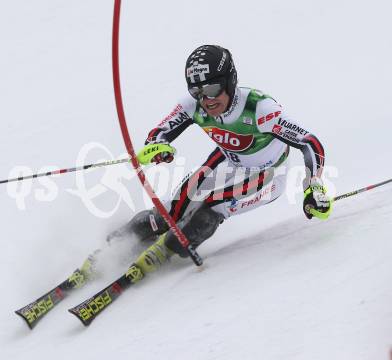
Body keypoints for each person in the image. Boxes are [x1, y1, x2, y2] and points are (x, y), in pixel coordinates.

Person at [82, 45, 332, 283]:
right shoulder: (193, 105)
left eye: (212, 89)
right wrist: (157, 147)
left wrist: (314, 186)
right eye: (197, 92)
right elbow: (159, 133)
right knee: (169, 212)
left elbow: (309, 142)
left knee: (207, 211)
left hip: (267, 175)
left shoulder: (259, 108)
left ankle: (167, 249)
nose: (206, 100)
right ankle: (115, 247)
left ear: (229, 81)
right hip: (227, 160)